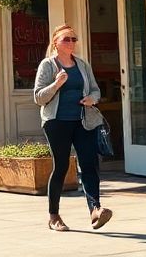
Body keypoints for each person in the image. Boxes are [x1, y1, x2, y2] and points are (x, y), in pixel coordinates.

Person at [32, 23, 112, 233]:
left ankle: (95, 210)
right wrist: (56, 84)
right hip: (56, 122)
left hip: (82, 121)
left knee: (89, 163)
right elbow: (39, 97)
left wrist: (91, 99)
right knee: (61, 167)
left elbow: (95, 90)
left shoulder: (82, 65)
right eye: (66, 39)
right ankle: (54, 216)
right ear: (56, 43)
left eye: (73, 39)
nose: (71, 43)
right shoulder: (48, 65)